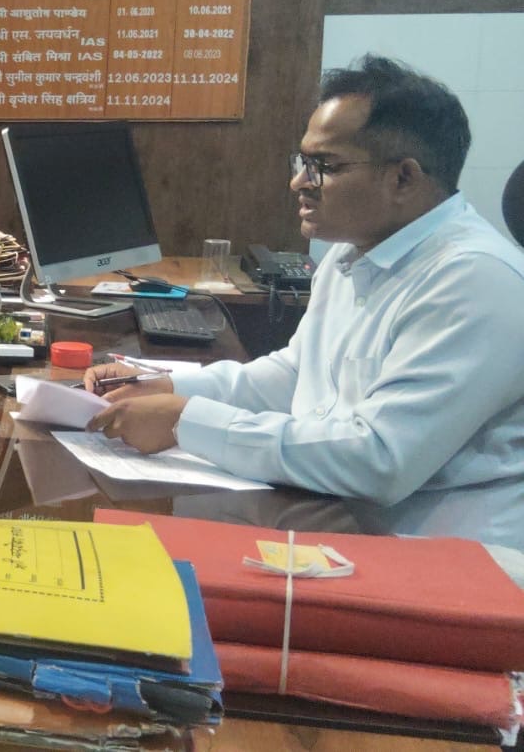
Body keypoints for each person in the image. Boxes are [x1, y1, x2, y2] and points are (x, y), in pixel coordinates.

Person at [84, 55, 524, 547]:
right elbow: (296, 376)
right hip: (348, 512)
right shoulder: (353, 253)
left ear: (403, 178)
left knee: (153, 537)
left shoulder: (476, 281)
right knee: (129, 515)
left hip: (442, 553)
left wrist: (185, 421)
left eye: (325, 167)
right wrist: (166, 385)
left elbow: (379, 459)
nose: (299, 182)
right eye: (302, 162)